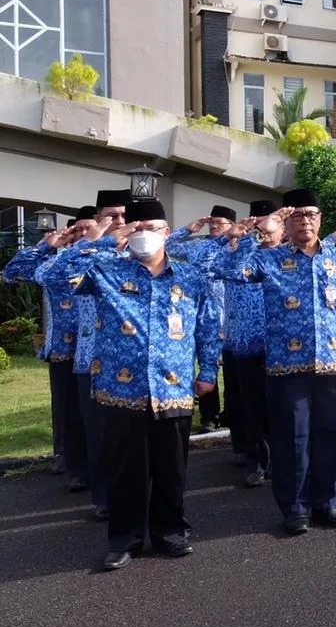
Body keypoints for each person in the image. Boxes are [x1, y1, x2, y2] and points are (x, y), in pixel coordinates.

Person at [69, 200, 222, 570]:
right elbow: (55, 274)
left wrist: (207, 374)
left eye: (150, 227)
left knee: (171, 469)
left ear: (167, 232)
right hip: (121, 392)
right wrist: (103, 238)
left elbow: (208, 327)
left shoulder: (190, 278)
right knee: (125, 471)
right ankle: (125, 538)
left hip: (172, 388)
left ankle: (170, 533)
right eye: (135, 227)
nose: (141, 234)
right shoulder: (105, 272)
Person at [214, 190, 336, 535]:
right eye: (297, 216)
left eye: (311, 214)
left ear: (320, 219)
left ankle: (327, 502)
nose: (306, 221)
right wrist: (254, 233)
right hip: (287, 366)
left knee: (334, 435)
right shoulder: (269, 260)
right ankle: (294, 507)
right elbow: (224, 269)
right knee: (292, 439)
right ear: (287, 222)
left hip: (333, 364)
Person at [3, 205, 101, 507]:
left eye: (90, 228)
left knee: (96, 418)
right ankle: (74, 468)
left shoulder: (103, 259)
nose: (84, 234)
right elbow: (12, 272)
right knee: (69, 412)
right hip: (63, 349)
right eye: (79, 229)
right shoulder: (55, 263)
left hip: (96, 350)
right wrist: (47, 245)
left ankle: (100, 473)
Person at [213, 199, 280, 487]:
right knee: (250, 407)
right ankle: (258, 460)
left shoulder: (288, 256)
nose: (263, 228)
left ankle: (284, 460)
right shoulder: (240, 255)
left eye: (269, 223)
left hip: (282, 345)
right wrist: (245, 237)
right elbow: (215, 267)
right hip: (243, 344)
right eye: (258, 223)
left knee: (281, 407)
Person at [165, 205, 238, 432]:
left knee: (233, 371)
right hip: (199, 314)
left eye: (221, 223)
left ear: (232, 226)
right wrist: (189, 229)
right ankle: (210, 415)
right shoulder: (198, 246)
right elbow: (168, 245)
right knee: (207, 365)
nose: (215, 227)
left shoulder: (237, 248)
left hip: (229, 315)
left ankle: (233, 414)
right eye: (212, 223)